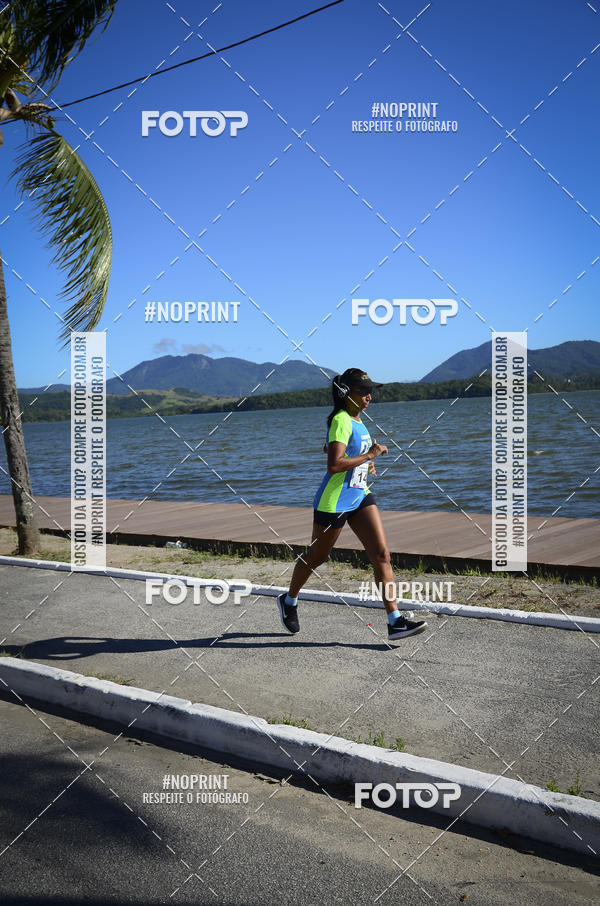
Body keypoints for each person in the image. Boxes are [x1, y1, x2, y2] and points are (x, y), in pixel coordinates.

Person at [277, 368, 427, 641]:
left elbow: (337, 448)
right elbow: (334, 464)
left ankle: (395, 621)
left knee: (381, 554)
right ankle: (289, 600)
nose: (369, 396)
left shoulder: (356, 420)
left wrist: (366, 460)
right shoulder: (341, 420)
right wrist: (369, 454)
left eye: (370, 391)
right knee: (316, 557)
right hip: (334, 501)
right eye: (363, 391)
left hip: (359, 495)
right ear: (346, 392)